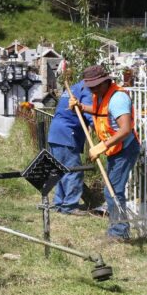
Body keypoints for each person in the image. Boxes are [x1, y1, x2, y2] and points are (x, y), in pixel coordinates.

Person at [69, 65, 140, 240]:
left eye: (94, 86)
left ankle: (119, 233)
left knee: (113, 191)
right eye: (90, 87)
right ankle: (118, 230)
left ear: (105, 82)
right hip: (113, 149)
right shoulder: (101, 96)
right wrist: (80, 107)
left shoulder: (118, 99)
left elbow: (125, 130)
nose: (92, 90)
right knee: (112, 189)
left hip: (124, 148)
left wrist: (102, 146)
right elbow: (100, 113)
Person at [47, 80, 93, 215]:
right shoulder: (87, 91)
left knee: (61, 170)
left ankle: (59, 203)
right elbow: (89, 114)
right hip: (67, 133)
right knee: (73, 171)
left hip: (56, 132)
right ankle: (70, 205)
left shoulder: (73, 88)